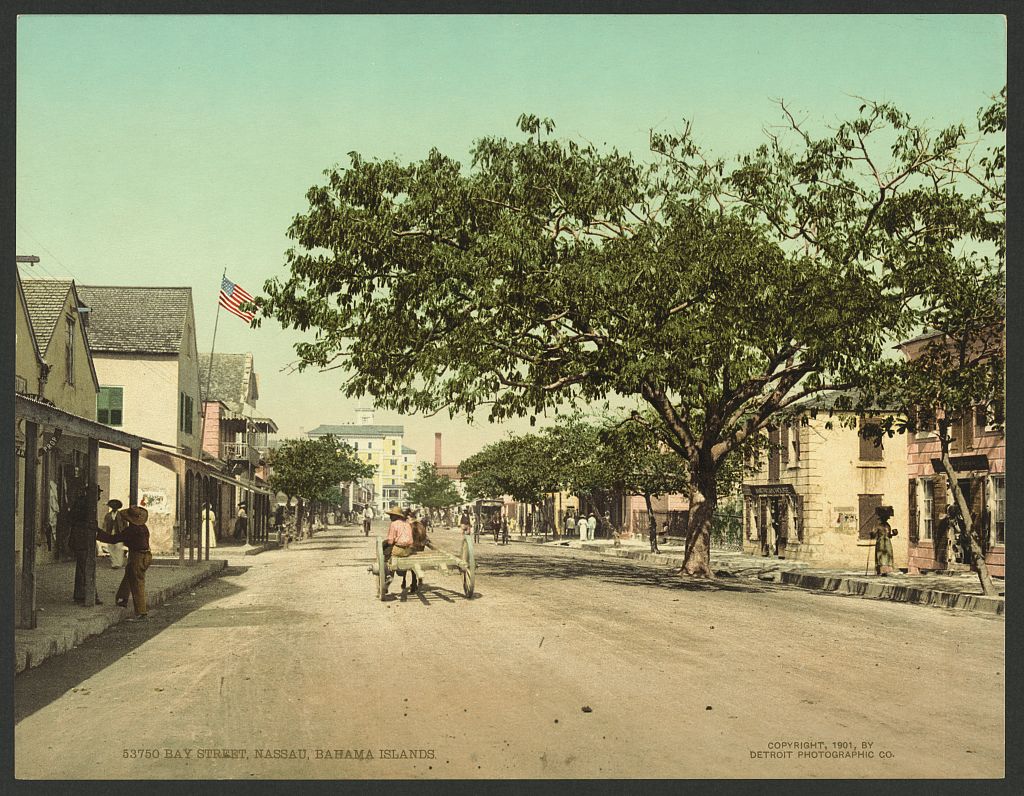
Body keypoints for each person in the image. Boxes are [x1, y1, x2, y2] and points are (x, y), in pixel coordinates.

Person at [95, 505, 152, 619]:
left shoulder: (132, 530)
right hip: (145, 555)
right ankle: (122, 597)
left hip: (137, 556)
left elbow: (114, 539)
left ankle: (142, 612)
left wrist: (98, 533)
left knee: (137, 583)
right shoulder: (143, 527)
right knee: (129, 575)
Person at [69, 488, 102, 605]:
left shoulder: (83, 502)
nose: (99, 496)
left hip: (82, 539)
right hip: (82, 539)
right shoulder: (85, 504)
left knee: (82, 568)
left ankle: (80, 594)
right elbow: (76, 520)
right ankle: (89, 595)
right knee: (85, 567)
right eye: (98, 494)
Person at [383, 507, 414, 593]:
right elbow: (411, 540)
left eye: (391, 515)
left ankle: (388, 574)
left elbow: (390, 541)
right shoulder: (408, 524)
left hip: (398, 550)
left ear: (396, 516)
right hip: (407, 551)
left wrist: (389, 544)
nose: (390, 517)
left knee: (386, 555)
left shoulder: (394, 524)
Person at [870, 506, 898, 576]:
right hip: (881, 542)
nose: (886, 519)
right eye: (885, 518)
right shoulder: (877, 526)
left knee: (887, 556)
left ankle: (886, 571)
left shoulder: (888, 525)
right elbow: (874, 534)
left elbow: (889, 535)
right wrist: (871, 534)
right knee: (881, 556)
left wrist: (894, 534)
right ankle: (881, 571)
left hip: (887, 542)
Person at [102, 498, 128, 569]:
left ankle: (119, 563)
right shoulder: (108, 515)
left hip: (119, 533)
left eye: (115, 506)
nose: (114, 507)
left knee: (119, 548)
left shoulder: (121, 515)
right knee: (111, 548)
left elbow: (125, 524)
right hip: (110, 533)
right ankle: (114, 563)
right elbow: (105, 524)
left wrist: (125, 532)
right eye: (112, 506)